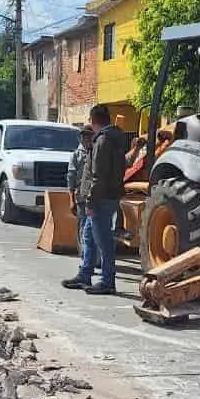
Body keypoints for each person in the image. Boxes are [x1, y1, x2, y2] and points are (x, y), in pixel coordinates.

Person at [61, 104, 126, 295]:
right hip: (106, 196)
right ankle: (85, 274)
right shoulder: (113, 138)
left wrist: (90, 201)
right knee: (88, 236)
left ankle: (107, 282)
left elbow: (98, 175)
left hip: (100, 199)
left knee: (103, 241)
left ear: (92, 120)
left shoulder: (103, 141)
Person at [65, 126, 96, 268]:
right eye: (84, 136)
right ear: (81, 138)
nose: (87, 139)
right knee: (84, 228)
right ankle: (85, 260)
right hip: (82, 197)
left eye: (89, 136)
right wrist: (71, 199)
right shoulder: (76, 155)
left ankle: (91, 259)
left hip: (96, 196)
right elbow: (71, 178)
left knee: (94, 228)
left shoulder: (96, 152)